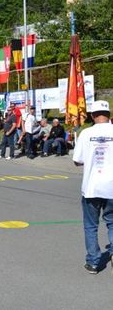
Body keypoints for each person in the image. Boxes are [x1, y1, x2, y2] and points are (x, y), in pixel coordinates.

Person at [72, 100, 113, 274]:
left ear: (92, 115)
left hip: (92, 186)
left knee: (91, 225)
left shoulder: (86, 133)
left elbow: (77, 160)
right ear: (109, 114)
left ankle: (94, 262)